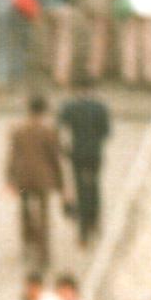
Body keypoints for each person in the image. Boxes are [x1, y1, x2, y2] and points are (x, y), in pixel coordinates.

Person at [4, 93, 69, 275]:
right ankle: (43, 253)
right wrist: (61, 183)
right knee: (44, 215)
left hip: (23, 177)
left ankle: (27, 244)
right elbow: (55, 158)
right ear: (44, 110)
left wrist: (9, 178)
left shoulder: (18, 130)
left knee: (24, 211)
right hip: (43, 179)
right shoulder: (49, 131)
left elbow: (12, 156)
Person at [57, 84, 113, 248]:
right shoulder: (100, 107)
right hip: (94, 153)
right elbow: (106, 132)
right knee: (94, 186)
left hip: (77, 153)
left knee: (80, 190)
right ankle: (94, 221)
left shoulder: (69, 106)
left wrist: (65, 148)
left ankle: (82, 234)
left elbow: (60, 128)